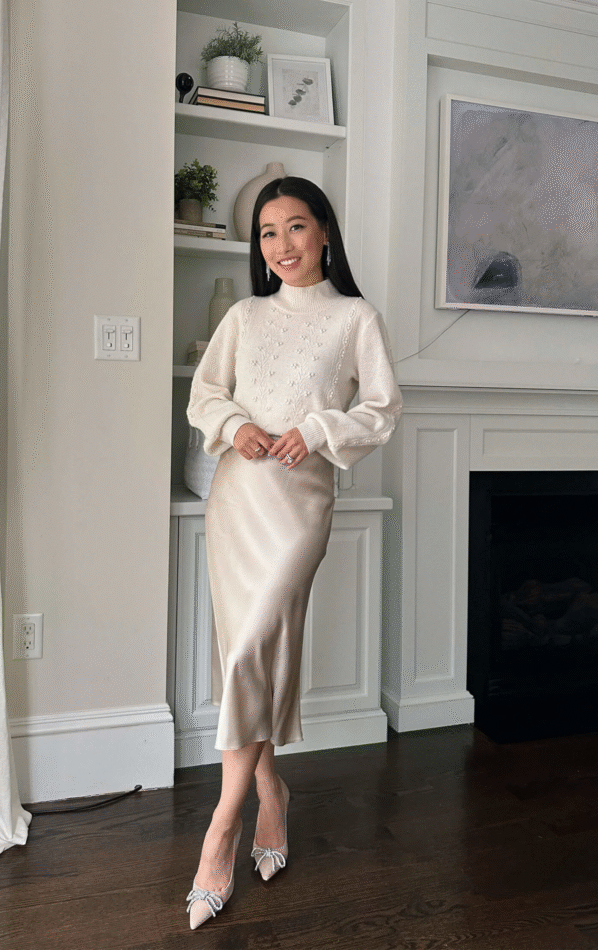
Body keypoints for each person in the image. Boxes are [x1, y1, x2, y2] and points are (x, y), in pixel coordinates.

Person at [184, 176, 402, 929]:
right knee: (247, 654)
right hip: (237, 498)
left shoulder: (355, 317)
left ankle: (221, 829)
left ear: (325, 234)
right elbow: (203, 394)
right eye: (268, 233)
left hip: (300, 504)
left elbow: (381, 408)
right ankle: (269, 791)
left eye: (296, 227)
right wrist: (235, 424)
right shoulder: (244, 316)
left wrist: (312, 431)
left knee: (254, 648)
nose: (282, 245)